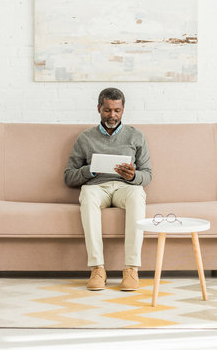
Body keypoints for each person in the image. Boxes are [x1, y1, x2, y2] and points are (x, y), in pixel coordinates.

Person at [64, 88, 152, 291]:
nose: (112, 115)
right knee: (86, 194)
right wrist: (90, 170)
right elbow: (69, 177)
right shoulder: (85, 138)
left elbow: (147, 174)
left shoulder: (136, 136)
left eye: (117, 111)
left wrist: (134, 176)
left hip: (125, 187)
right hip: (97, 187)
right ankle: (97, 269)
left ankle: (131, 269)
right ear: (98, 109)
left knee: (138, 194)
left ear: (123, 110)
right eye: (107, 110)